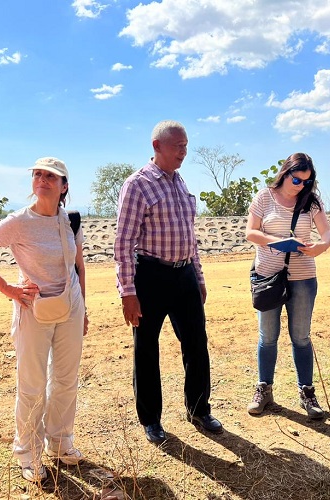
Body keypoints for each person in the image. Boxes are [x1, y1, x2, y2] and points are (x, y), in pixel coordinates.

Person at [0, 157, 88, 483]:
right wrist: (8, 288)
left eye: (51, 176)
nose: (42, 179)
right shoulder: (19, 221)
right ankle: (29, 454)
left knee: (66, 379)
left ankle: (61, 443)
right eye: (37, 174)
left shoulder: (72, 220)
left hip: (71, 307)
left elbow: (79, 267)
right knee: (32, 386)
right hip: (32, 309)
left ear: (64, 186)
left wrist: (84, 308)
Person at [114, 120, 222, 445]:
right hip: (150, 275)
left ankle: (199, 409)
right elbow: (123, 242)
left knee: (196, 344)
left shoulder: (180, 183)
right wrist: (128, 292)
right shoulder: (138, 185)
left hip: (185, 274)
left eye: (186, 145)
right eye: (178, 146)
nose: (183, 152)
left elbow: (191, 237)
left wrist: (198, 277)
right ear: (157, 146)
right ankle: (151, 420)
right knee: (146, 349)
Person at [244, 153, 330, 419]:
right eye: (297, 179)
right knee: (268, 337)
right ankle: (264, 390)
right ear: (285, 174)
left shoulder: (311, 201)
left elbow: (328, 233)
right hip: (268, 276)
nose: (301, 186)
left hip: (303, 277)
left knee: (301, 337)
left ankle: (307, 393)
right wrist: (275, 241)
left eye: (307, 182)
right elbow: (251, 232)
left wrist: (321, 246)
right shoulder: (264, 197)